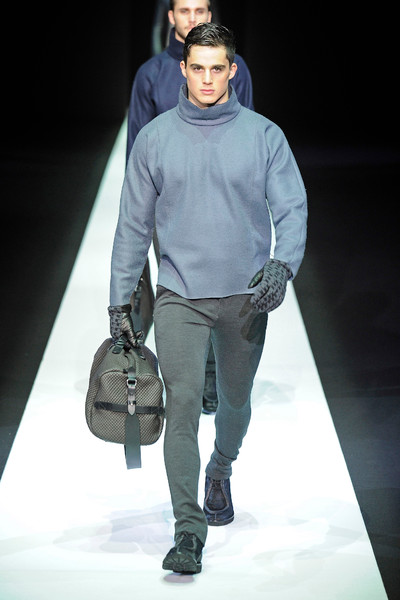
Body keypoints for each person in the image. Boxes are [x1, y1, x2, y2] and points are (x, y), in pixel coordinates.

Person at [108, 23, 307, 575]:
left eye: (217, 68)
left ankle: (221, 468)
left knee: (236, 404)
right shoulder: (154, 139)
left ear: (232, 71)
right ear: (183, 69)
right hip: (180, 295)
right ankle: (187, 531)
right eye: (197, 67)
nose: (207, 78)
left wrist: (283, 264)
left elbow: (292, 207)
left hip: (247, 295)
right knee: (183, 407)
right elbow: (131, 228)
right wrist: (119, 303)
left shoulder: (264, 136)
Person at [127, 0, 254, 415]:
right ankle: (187, 381)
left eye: (200, 10)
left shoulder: (237, 69)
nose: (193, 18)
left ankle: (212, 378)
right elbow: (136, 147)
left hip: (224, 203)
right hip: (169, 206)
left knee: (222, 290)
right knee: (179, 291)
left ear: (210, 14)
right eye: (185, 10)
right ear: (171, 17)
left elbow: (249, 134)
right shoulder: (150, 75)